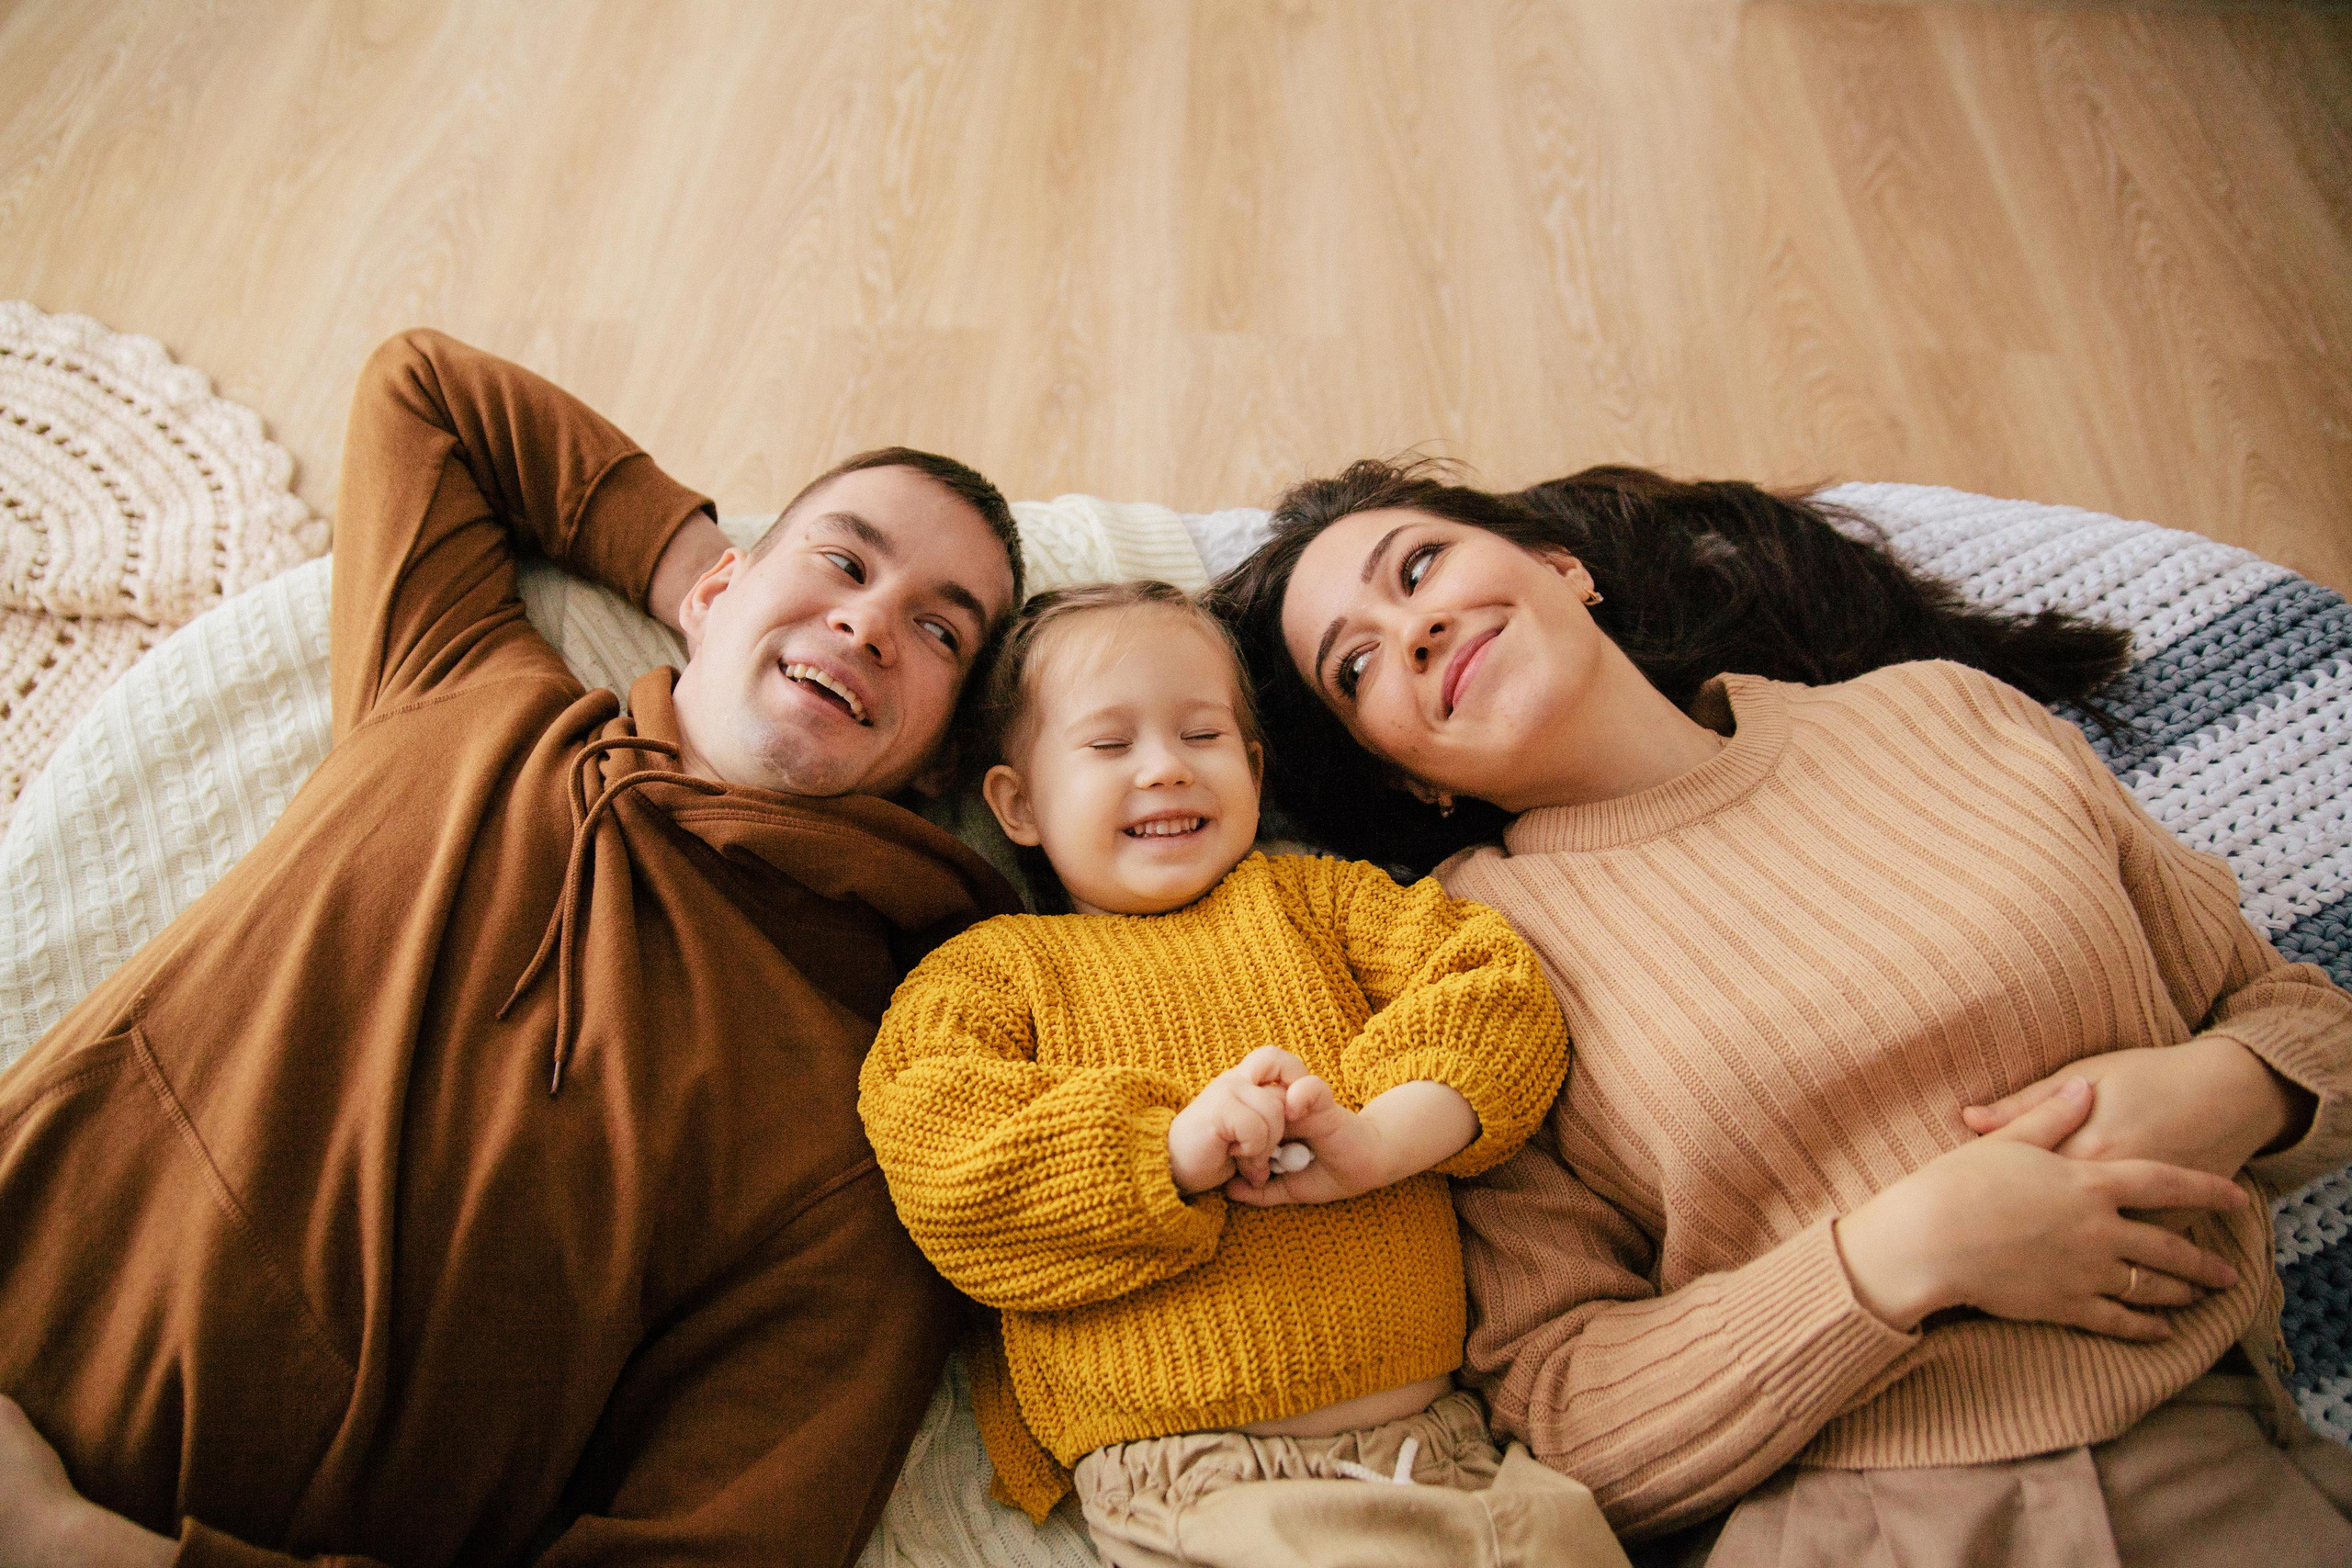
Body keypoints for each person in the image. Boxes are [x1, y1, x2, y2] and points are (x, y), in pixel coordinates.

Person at [0, 330, 1025, 1567]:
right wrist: (688, 559)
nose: (867, 621)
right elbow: (425, 394)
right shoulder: (462, 682)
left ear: (936, 766)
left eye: (940, 632)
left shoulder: (863, 1128)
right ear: (720, 594)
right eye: (841, 561)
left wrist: (76, 1543)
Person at [1210, 457, 2352, 1566]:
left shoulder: (1944, 715)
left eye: (1418, 569)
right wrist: (1899, 1256)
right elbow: (1563, 1408)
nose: (1408, 632)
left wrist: (2232, 1091)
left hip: (2224, 1468)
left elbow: (2301, 1020)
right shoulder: (1463, 957)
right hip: (1844, 1515)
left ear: (1563, 567)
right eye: (1354, 668)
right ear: (1411, 776)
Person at [856, 581, 1629, 1568]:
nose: (1164, 771)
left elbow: (1491, 988)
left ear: (1254, 771)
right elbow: (942, 1158)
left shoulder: (1321, 902)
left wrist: (1387, 1134)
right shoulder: (993, 972)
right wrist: (1167, 1154)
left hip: (1455, 1450)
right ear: (1016, 803)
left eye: (1202, 736)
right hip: (1204, 1481)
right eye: (1108, 746)